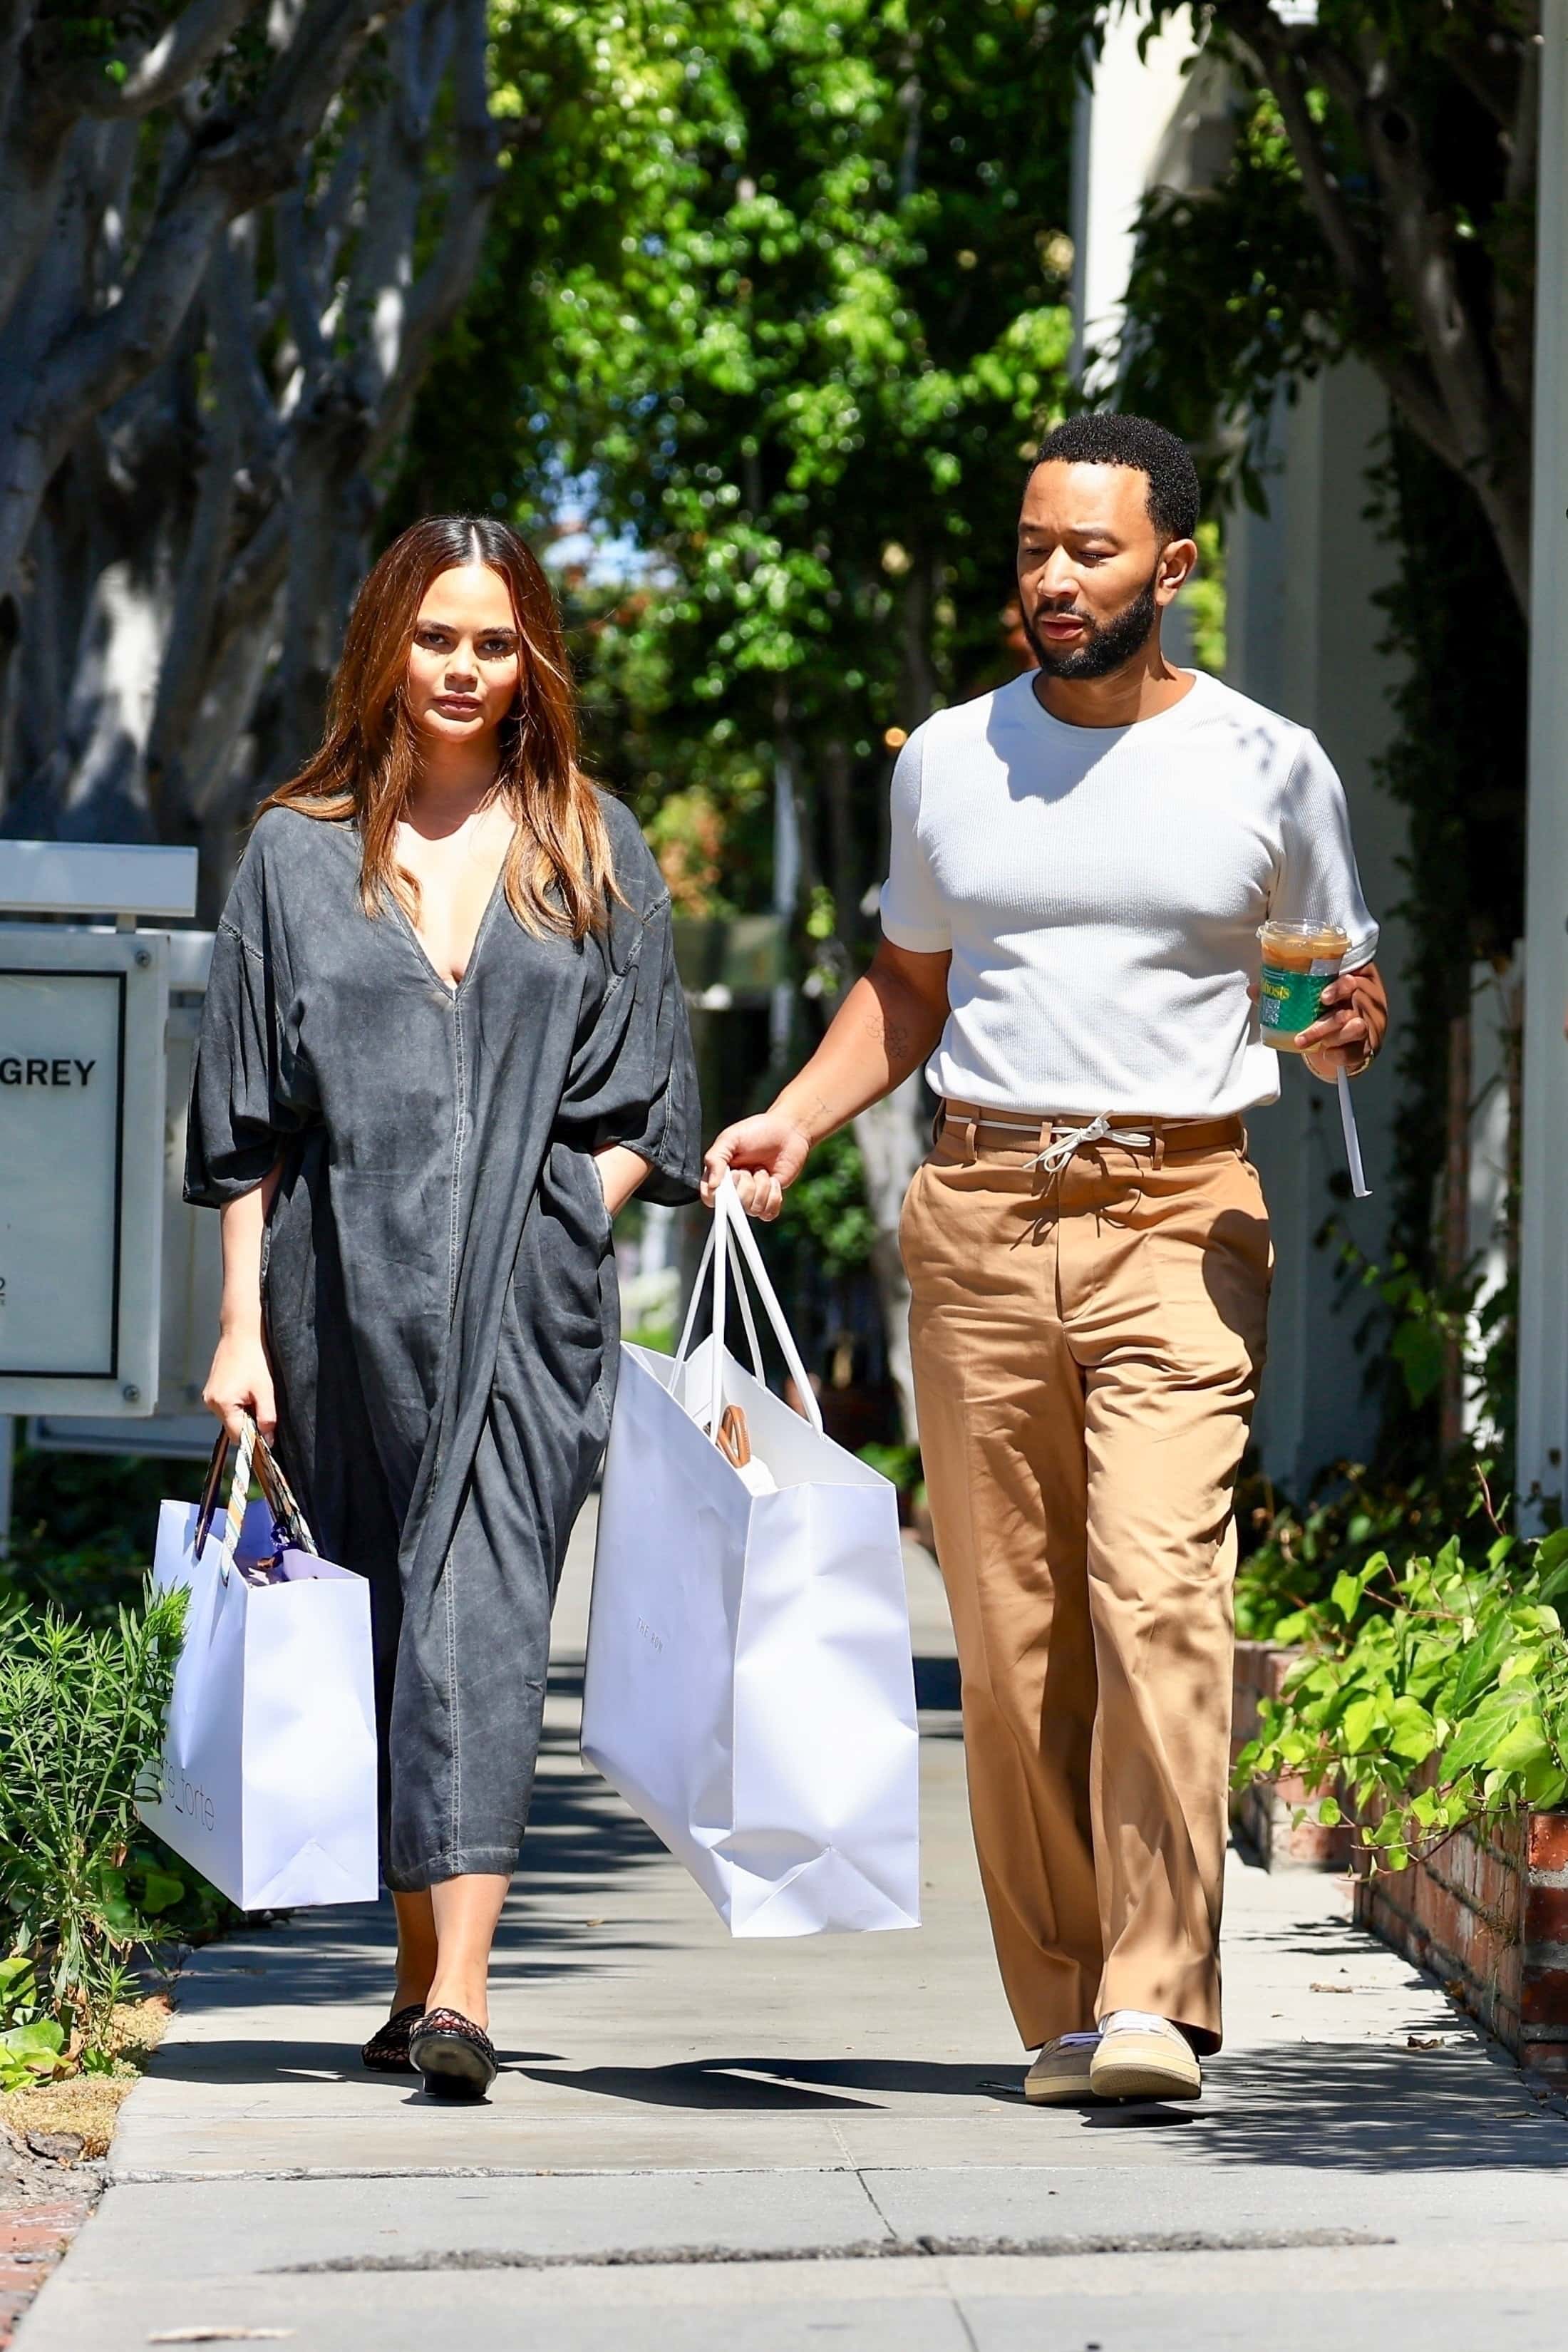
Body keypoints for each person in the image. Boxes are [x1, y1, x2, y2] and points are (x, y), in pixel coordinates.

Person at [704, 413, 1388, 2106]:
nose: (1053, 578)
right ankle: (1072, 2002)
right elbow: (909, 988)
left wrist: (1331, 1031)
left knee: (1158, 1592)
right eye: (1031, 547)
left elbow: (1316, 990)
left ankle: (1158, 1995)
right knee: (1013, 1654)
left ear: (1173, 565)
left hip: (1177, 1211)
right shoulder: (945, 757)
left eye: (1089, 549)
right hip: (983, 1212)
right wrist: (790, 1118)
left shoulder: (1267, 764)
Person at [187, 515, 700, 2099]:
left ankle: (463, 1992)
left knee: (480, 1618)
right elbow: (244, 1129)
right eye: (436, 638)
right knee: (388, 1630)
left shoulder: (594, 844)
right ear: (384, 648)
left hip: (529, 1307)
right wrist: (236, 1330)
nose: (464, 668)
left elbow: (649, 1101)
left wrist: (561, 1223)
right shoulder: (294, 850)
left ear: (530, 654)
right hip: (332, 1299)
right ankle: (416, 1977)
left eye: (493, 641)